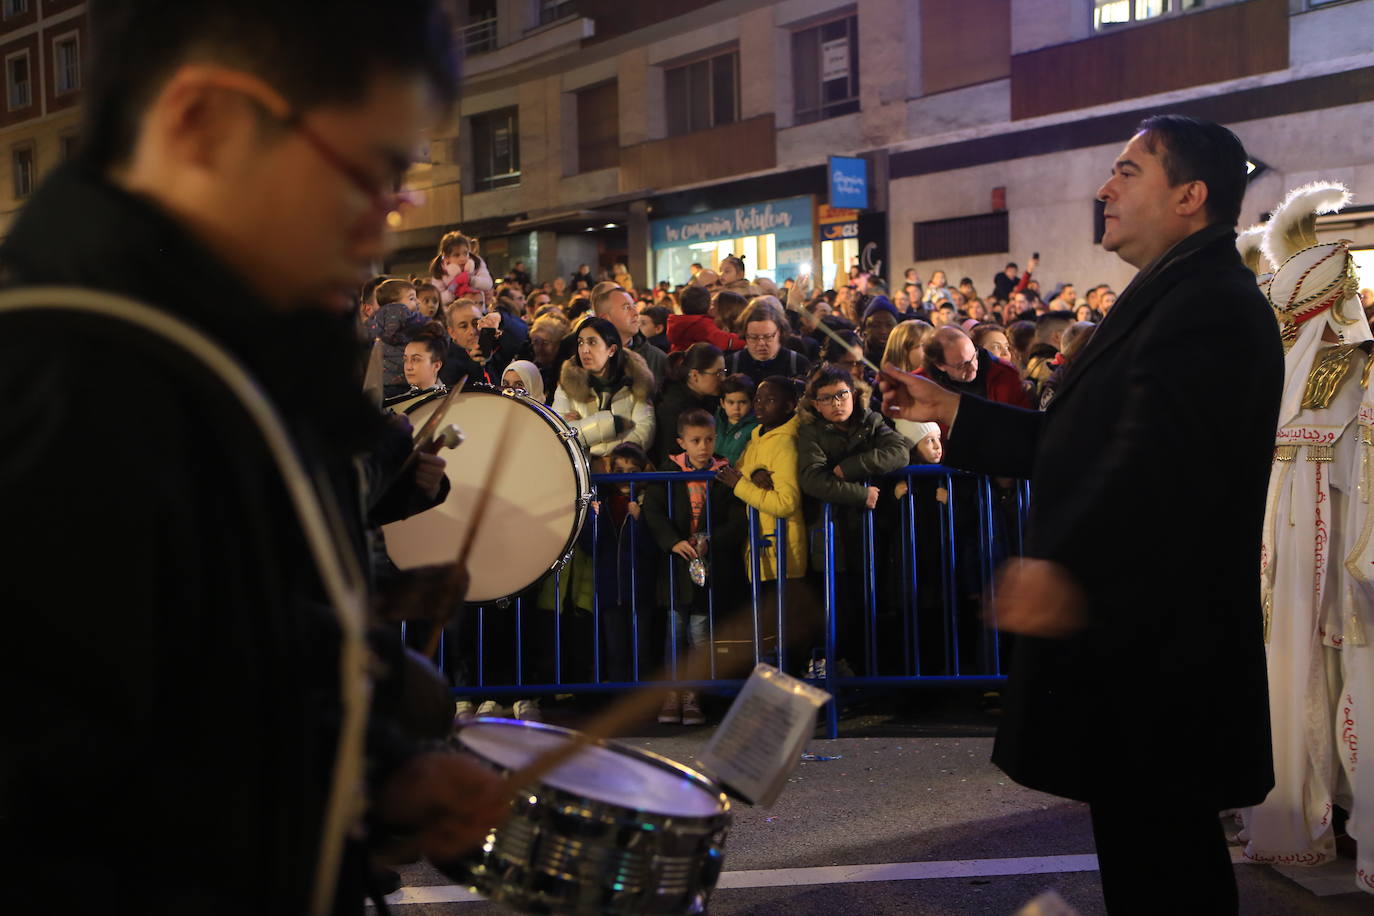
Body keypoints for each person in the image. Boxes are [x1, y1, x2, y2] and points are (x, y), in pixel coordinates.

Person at [0, 1, 509, 912]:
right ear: (205, 123)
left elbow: (194, 676)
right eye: (369, 172)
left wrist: (378, 771)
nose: (385, 224)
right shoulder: (58, 381)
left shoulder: (213, 357)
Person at [880, 114, 1281, 914]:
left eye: (1129, 172)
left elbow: (1151, 465)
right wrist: (955, 413)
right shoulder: (1173, 292)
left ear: (1190, 196)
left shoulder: (1208, 303)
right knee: (1147, 858)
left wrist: (1058, 560)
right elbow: (1079, 438)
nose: (1105, 187)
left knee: (1168, 869)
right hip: (1138, 649)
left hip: (1161, 649)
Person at [796, 366, 910, 675]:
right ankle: (836, 676)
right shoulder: (811, 431)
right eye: (827, 398)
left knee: (870, 606)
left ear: (853, 394)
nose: (836, 403)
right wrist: (861, 495)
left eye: (842, 395)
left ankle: (867, 676)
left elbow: (900, 452)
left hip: (871, 532)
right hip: (830, 533)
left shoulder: (871, 421)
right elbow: (812, 479)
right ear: (816, 403)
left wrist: (851, 468)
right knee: (837, 609)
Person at [641, 409, 745, 725]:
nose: (703, 447)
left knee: (700, 633)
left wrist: (712, 541)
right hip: (676, 567)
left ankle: (693, 696)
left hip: (708, 567)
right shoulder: (668, 471)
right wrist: (672, 541)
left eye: (709, 439)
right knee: (674, 633)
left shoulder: (724, 472)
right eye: (696, 441)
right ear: (681, 442)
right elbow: (654, 512)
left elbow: (737, 518)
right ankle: (672, 694)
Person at [717, 375, 808, 598]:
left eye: (770, 400)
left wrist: (740, 484)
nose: (760, 405)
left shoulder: (786, 442)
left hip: (781, 553)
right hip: (761, 549)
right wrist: (753, 471)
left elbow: (786, 503)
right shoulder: (757, 436)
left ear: (789, 406)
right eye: (757, 399)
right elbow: (739, 467)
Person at [552, 316, 655, 462]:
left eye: (592, 342)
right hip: (583, 472)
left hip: (623, 473)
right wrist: (612, 424)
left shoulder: (636, 382)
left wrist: (588, 440)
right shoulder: (567, 385)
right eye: (580, 342)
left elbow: (643, 435)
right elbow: (560, 436)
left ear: (611, 350)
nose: (584, 350)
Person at [652, 342, 726, 463]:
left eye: (724, 371)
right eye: (718, 373)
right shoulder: (673, 407)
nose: (723, 378)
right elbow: (670, 453)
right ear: (695, 375)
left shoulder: (711, 399)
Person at [592, 279, 668, 385]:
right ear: (605, 318)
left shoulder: (657, 359)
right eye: (626, 307)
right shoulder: (585, 358)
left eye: (634, 306)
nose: (636, 313)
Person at [727, 298, 812, 386]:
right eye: (753, 337)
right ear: (744, 334)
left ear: (780, 332)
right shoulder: (732, 364)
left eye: (768, 337)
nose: (761, 343)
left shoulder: (798, 363)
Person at [667, 284, 745, 353]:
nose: (710, 308)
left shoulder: (676, 322)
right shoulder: (703, 325)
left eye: (713, 304)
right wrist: (744, 341)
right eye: (710, 303)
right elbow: (724, 340)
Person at [431, 231, 494, 306]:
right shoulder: (439, 269)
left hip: (478, 310)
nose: (462, 258)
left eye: (465, 253)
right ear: (446, 257)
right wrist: (454, 288)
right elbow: (438, 299)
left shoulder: (476, 262)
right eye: (456, 255)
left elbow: (488, 283)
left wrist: (471, 280)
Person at [715, 373, 760, 464]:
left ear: (751, 402)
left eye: (742, 402)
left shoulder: (756, 428)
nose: (736, 408)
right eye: (731, 402)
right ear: (722, 403)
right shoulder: (714, 422)